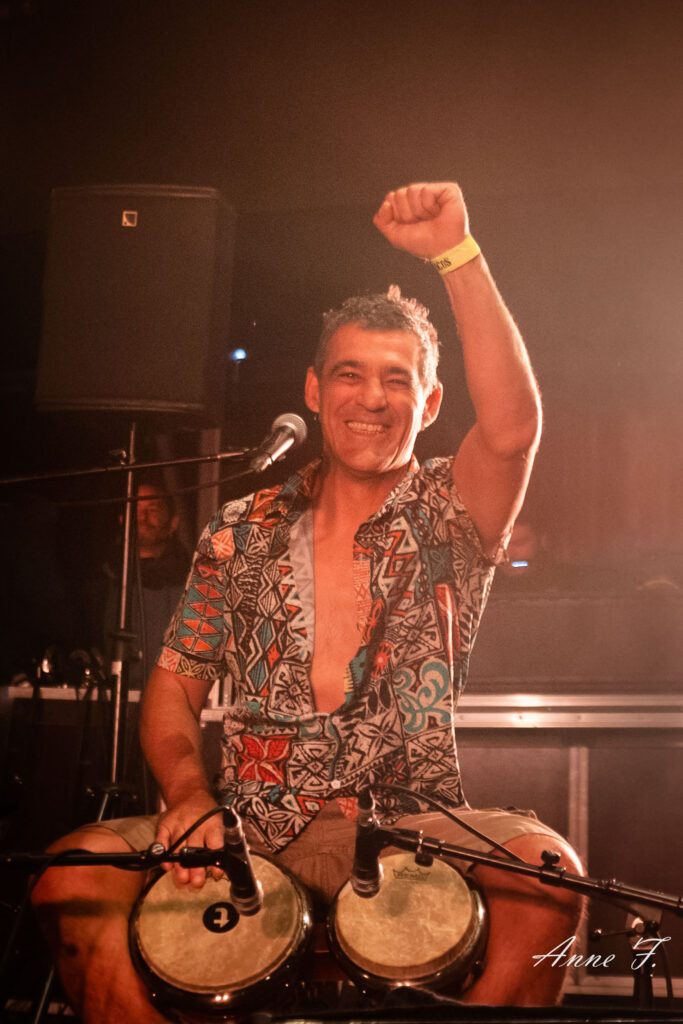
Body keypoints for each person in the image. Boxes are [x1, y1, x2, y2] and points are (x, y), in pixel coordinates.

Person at [31, 182, 584, 1021]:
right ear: (315, 390)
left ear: (430, 402)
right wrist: (187, 795)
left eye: (397, 380)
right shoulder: (239, 527)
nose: (372, 397)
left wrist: (456, 253)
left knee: (548, 878)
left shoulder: (451, 510)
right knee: (70, 881)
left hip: (409, 821)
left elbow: (511, 431)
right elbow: (174, 685)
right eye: (349, 375)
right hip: (248, 818)